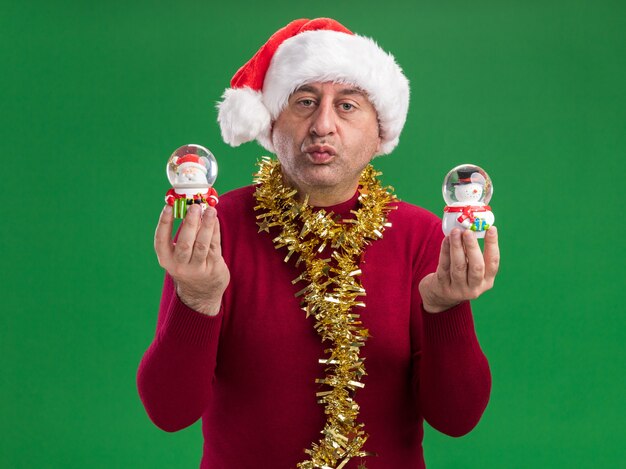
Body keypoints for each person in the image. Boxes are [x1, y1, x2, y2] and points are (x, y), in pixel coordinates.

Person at [137, 18, 499, 469]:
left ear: (380, 132)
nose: (322, 124)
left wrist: (448, 310)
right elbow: (169, 412)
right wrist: (195, 298)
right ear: (271, 123)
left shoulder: (421, 236)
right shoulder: (216, 227)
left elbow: (457, 418)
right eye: (305, 102)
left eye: (347, 106)